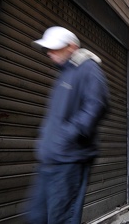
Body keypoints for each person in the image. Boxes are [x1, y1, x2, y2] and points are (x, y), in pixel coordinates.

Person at [26, 26, 109, 224]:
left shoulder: (88, 69)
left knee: (62, 218)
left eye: (54, 48)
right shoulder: (64, 74)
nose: (49, 53)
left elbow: (96, 106)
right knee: (37, 216)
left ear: (71, 47)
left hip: (69, 160)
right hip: (50, 159)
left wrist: (66, 135)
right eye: (48, 49)